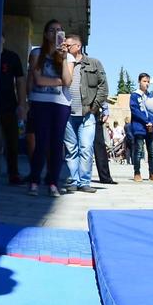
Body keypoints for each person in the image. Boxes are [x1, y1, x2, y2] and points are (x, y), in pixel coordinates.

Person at [25, 19, 74, 196]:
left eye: (59, 30)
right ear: (46, 34)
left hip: (61, 104)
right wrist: (59, 82)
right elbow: (38, 80)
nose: (56, 34)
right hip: (40, 101)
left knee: (56, 143)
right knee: (42, 142)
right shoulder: (37, 53)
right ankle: (34, 180)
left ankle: (53, 182)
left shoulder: (68, 57)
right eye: (52, 30)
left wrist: (62, 59)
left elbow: (68, 81)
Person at [57, 34, 107, 194]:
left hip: (87, 113)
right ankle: (73, 179)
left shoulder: (94, 63)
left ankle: (84, 181)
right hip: (67, 112)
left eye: (69, 45)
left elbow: (103, 86)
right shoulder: (62, 62)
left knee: (86, 148)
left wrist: (94, 107)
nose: (65, 47)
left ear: (78, 46)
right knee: (71, 149)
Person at [0, 36, 26, 185]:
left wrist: (22, 104)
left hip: (9, 104)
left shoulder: (12, 57)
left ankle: (13, 173)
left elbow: (20, 81)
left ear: (3, 39)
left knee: (12, 141)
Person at [128, 73, 153, 182]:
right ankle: (137, 172)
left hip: (150, 128)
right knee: (139, 151)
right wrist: (146, 121)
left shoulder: (151, 96)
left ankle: (152, 173)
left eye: (148, 82)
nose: (146, 84)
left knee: (152, 151)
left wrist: (152, 123)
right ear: (139, 82)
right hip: (139, 127)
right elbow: (135, 110)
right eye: (144, 81)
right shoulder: (134, 96)